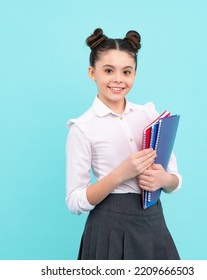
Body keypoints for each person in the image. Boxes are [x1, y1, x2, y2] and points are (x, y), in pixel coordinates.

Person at [65, 28, 182, 260]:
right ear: (92, 72)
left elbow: (174, 179)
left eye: (126, 71)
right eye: (108, 70)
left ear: (135, 74)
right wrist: (120, 175)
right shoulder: (82, 127)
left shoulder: (149, 115)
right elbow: (75, 201)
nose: (118, 79)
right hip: (109, 225)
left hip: (152, 221)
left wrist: (164, 180)